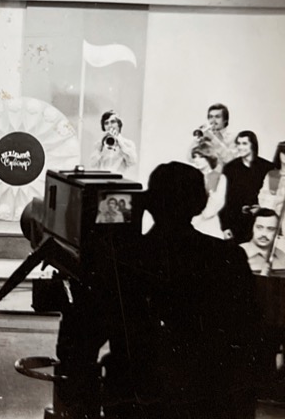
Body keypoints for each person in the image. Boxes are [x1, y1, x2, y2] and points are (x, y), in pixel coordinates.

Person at [102, 161, 261, 419]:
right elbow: (249, 333)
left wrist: (136, 215)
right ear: (201, 203)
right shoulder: (228, 257)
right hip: (209, 398)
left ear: (150, 203)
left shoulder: (128, 259)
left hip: (143, 397)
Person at [220, 131, 275, 244]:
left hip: (262, 222)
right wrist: (225, 227)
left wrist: (262, 208)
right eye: (238, 143)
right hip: (236, 223)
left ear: (253, 145)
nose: (240, 147)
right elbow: (224, 199)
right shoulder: (230, 168)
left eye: (244, 143)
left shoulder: (267, 167)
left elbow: (274, 197)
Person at [190, 142, 227, 239]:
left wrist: (200, 218)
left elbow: (217, 203)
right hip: (191, 221)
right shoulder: (191, 177)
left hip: (209, 223)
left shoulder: (219, 178)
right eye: (194, 157)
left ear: (209, 157)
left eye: (200, 157)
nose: (196, 160)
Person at [89, 110, 137, 175]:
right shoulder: (98, 144)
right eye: (106, 123)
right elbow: (92, 164)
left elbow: (132, 162)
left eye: (113, 122)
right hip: (102, 179)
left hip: (119, 179)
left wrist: (120, 143)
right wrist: (100, 147)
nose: (109, 126)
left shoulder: (128, 143)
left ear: (119, 124)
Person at [190, 103, 236, 167]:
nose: (213, 121)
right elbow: (190, 159)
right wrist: (196, 141)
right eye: (211, 117)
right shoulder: (205, 136)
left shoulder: (233, 137)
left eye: (217, 117)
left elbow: (231, 160)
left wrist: (214, 139)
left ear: (225, 120)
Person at [239, 208, 285, 273]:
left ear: (277, 232)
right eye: (259, 227)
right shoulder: (236, 252)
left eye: (270, 229)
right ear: (252, 228)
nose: (264, 234)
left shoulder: (282, 256)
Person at [258, 141, 285, 220]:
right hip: (270, 217)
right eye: (284, 152)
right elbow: (263, 198)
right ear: (279, 153)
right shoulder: (271, 174)